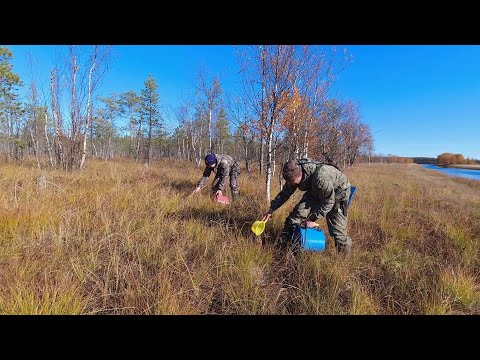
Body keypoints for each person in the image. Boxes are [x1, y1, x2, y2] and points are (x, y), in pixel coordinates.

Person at [261, 158, 352, 255]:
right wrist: (271, 209)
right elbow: (285, 193)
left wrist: (312, 219)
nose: (293, 185)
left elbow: (329, 201)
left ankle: (343, 260)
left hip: (339, 193)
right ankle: (288, 246)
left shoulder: (321, 178)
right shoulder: (293, 171)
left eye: (294, 182)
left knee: (337, 231)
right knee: (295, 217)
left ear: (300, 175)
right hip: (315, 190)